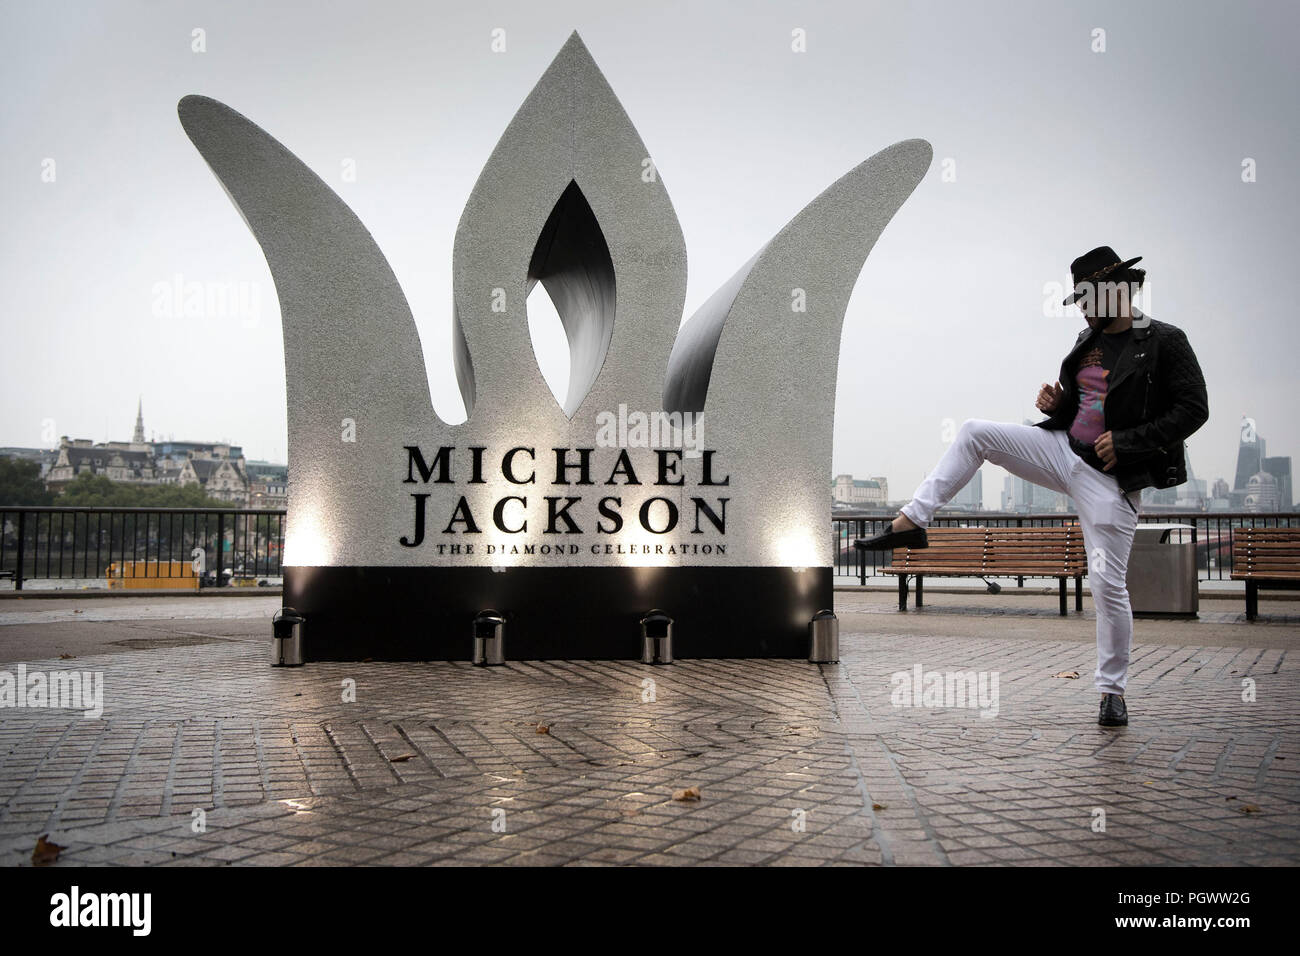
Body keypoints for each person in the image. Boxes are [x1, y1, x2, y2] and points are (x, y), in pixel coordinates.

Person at [855, 246, 1209, 727]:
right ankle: (912, 521)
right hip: (1062, 450)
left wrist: (1127, 443)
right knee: (975, 431)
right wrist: (1057, 405)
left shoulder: (1165, 341)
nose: (1082, 307)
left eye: (1087, 296)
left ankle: (1112, 692)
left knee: (1107, 588)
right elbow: (1087, 405)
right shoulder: (1089, 339)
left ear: (1115, 290)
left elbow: (1193, 409)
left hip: (1110, 479)